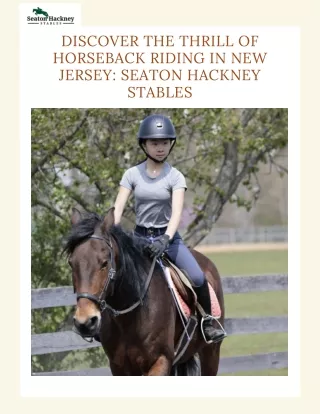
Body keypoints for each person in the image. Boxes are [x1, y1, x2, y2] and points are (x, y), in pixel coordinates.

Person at [113, 114, 226, 344]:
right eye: (155, 143)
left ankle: (208, 323)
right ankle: (103, 323)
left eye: (165, 143)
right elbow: (117, 209)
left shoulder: (175, 177)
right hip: (139, 240)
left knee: (196, 275)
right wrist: (112, 231)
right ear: (144, 144)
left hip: (169, 239)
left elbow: (176, 213)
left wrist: (166, 238)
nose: (160, 148)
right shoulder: (131, 175)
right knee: (114, 275)